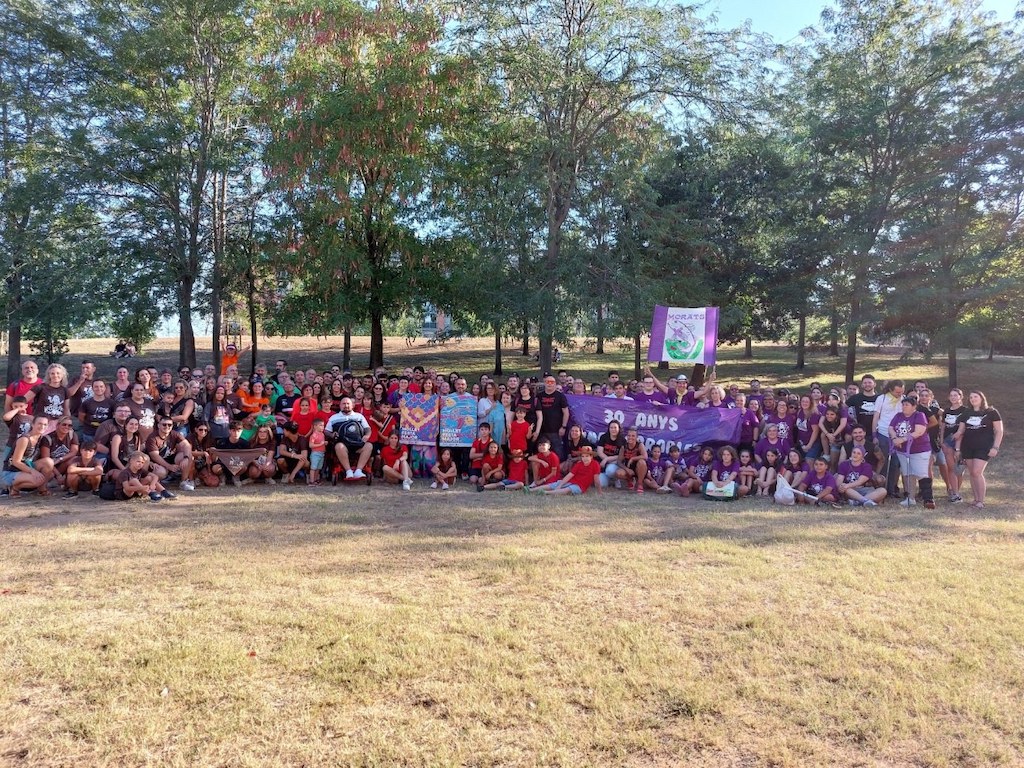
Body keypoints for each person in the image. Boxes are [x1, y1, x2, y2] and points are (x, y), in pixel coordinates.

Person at [952, 390, 1003, 509]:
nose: (973, 399)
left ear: (981, 398)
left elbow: (999, 431)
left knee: (977, 472)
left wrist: (995, 447)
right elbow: (961, 431)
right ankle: (975, 499)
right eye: (971, 397)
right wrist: (957, 448)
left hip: (984, 447)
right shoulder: (966, 413)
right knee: (972, 473)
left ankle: (981, 501)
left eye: (975, 397)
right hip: (968, 446)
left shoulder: (991, 412)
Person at [887, 395, 930, 507]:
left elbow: (919, 431)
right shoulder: (898, 415)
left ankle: (928, 499)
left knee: (921, 473)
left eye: (907, 405)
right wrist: (894, 438)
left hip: (919, 450)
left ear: (914, 406)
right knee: (907, 474)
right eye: (903, 405)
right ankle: (910, 498)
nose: (904, 407)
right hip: (902, 451)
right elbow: (891, 428)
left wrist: (902, 439)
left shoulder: (919, 415)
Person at [0, 414, 50, 496]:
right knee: (38, 480)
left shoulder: (41, 438)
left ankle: (42, 489)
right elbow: (16, 462)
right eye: (39, 424)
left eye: (45, 424)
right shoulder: (25, 439)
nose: (42, 426)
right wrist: (33, 471)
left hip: (26, 467)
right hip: (11, 471)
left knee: (48, 462)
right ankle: (14, 488)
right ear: (33, 424)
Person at [326, 397, 373, 480]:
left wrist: (367, 435)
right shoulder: (334, 418)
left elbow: (367, 428)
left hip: (358, 444)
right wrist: (332, 434)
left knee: (369, 446)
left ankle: (358, 471)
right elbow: (326, 431)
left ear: (352, 405)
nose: (346, 405)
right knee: (339, 446)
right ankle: (348, 471)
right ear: (340, 406)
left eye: (348, 403)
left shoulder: (359, 416)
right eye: (343, 404)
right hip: (343, 445)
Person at [146, 418, 195, 490]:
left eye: (169, 425)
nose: (167, 427)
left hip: (170, 459)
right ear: (158, 425)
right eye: (164, 424)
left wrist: (186, 458)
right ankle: (157, 483)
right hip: (156, 463)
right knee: (161, 472)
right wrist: (169, 466)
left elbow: (186, 445)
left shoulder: (174, 434)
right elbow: (155, 456)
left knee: (189, 456)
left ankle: (183, 482)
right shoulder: (152, 437)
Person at [532, 445, 602, 495]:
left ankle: (546, 493)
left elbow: (596, 480)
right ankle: (531, 490)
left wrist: (599, 492)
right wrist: (560, 484)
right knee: (555, 484)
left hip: (580, 486)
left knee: (568, 490)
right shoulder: (579, 464)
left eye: (587, 456)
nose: (585, 458)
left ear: (591, 457)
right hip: (572, 481)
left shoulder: (595, 464)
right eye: (583, 456)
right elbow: (570, 475)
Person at [939, 388, 967, 503]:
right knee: (951, 467)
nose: (953, 397)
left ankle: (956, 491)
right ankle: (955, 493)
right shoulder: (947, 411)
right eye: (951, 395)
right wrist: (941, 441)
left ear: (961, 397)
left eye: (955, 395)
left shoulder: (965, 410)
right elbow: (943, 427)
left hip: (961, 440)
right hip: (948, 440)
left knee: (959, 468)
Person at [534, 375, 570, 458]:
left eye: (552, 382)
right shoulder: (539, 396)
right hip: (542, 430)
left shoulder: (560, 396)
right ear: (544, 383)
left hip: (556, 431)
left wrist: (563, 427)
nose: (549, 384)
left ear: (555, 384)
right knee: (542, 454)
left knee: (558, 454)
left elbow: (566, 412)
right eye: (547, 382)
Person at [39, 416, 79, 488]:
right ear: (57, 425)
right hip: (50, 466)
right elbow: (46, 459)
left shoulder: (72, 434)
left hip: (62, 463)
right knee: (50, 473)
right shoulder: (47, 438)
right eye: (64, 424)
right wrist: (58, 475)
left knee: (74, 459)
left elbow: (74, 452)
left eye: (69, 425)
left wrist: (60, 459)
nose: (66, 427)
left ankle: (67, 481)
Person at [616, 427, 649, 493]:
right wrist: (627, 469)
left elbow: (645, 456)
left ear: (637, 437)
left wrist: (632, 458)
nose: (630, 437)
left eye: (633, 436)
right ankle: (630, 480)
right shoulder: (624, 446)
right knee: (618, 473)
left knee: (642, 462)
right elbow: (619, 462)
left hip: (639, 469)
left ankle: (640, 484)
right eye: (629, 435)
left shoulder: (639, 445)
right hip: (629, 469)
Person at [595, 419, 625, 488]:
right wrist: (606, 460)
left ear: (619, 429)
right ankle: (609, 479)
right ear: (608, 428)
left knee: (610, 470)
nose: (613, 429)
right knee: (602, 484)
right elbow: (599, 452)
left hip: (615, 463)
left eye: (615, 427)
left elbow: (621, 456)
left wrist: (607, 459)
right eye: (611, 427)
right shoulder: (603, 437)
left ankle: (616, 479)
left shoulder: (622, 440)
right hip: (604, 463)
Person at [467, 422, 492, 488]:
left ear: (489, 431)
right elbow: (471, 456)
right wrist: (484, 455)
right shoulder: (476, 442)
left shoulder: (491, 442)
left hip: (485, 466)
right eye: (482, 429)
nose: (484, 431)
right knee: (473, 480)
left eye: (486, 429)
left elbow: (492, 456)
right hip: (475, 465)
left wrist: (477, 456)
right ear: (479, 431)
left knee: (481, 481)